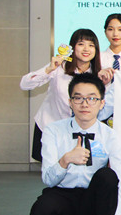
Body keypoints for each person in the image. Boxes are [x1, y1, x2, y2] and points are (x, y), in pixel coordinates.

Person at [29, 73, 121, 215]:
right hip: (64, 195)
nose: (85, 104)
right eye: (78, 98)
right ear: (70, 102)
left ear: (101, 103)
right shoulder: (53, 130)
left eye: (92, 98)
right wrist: (65, 160)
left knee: (108, 176)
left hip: (93, 199)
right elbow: (48, 179)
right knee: (40, 212)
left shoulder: (110, 135)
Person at [20, 29, 102, 163]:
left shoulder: (98, 74)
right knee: (51, 169)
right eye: (81, 44)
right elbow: (25, 84)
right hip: (50, 126)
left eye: (91, 45)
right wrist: (48, 69)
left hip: (79, 132)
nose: (86, 49)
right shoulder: (60, 67)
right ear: (72, 47)